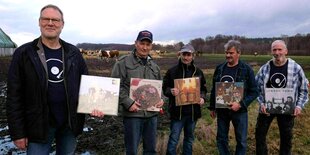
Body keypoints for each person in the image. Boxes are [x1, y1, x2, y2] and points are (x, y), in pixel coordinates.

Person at [6, 4, 88, 154]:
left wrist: (95, 106)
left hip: (68, 124)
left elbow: (87, 85)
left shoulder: (74, 53)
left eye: (55, 20)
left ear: (62, 24)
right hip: (38, 125)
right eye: (46, 19)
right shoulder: (24, 53)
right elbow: (13, 96)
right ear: (39, 22)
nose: (50, 23)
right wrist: (18, 133)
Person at [111, 30, 164, 155]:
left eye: (148, 44)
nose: (145, 47)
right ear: (136, 43)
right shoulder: (123, 63)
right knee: (132, 151)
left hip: (151, 116)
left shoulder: (154, 67)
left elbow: (159, 88)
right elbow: (114, 85)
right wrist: (128, 102)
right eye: (142, 43)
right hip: (133, 116)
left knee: (150, 150)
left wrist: (161, 99)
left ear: (151, 46)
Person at [255, 40, 309, 155]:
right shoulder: (265, 68)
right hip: (267, 108)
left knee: (286, 138)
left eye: (280, 49)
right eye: (274, 50)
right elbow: (256, 88)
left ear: (286, 51)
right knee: (260, 135)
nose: (277, 52)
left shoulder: (296, 68)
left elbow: (304, 90)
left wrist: (299, 106)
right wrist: (261, 103)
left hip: (287, 109)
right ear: (271, 52)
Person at [208, 40, 258, 155]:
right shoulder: (220, 68)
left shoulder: (246, 69)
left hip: (239, 111)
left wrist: (240, 104)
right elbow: (214, 89)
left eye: (231, 53)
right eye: (226, 53)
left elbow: (254, 91)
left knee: (241, 140)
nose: (228, 55)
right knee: (221, 139)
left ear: (238, 53)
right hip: (222, 111)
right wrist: (212, 107)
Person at [163, 44, 207, 155]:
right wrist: (171, 91)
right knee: (173, 139)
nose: (186, 57)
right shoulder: (172, 71)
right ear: (180, 55)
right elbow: (165, 88)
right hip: (177, 113)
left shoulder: (198, 72)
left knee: (189, 139)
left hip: (193, 113)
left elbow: (203, 89)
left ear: (193, 56)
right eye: (184, 54)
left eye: (188, 55)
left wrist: (202, 97)